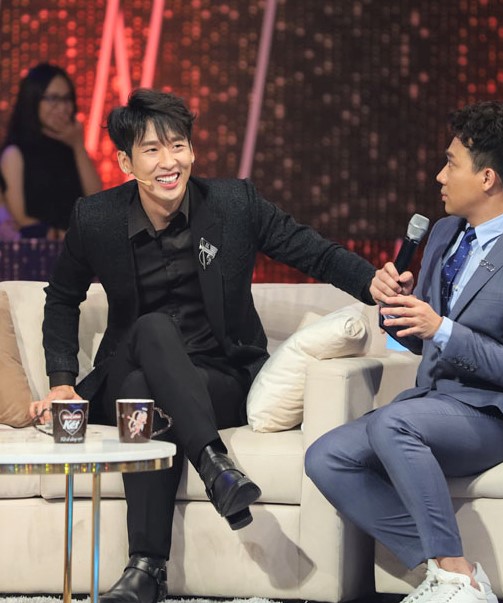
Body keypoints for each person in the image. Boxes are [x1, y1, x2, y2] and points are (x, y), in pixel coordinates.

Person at [30, 88, 377, 603]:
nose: (168, 162)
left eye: (178, 146)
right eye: (151, 150)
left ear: (192, 150)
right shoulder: (96, 218)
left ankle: (146, 570)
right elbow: (62, 298)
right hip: (125, 367)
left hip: (217, 377)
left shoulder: (234, 205)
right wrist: (61, 382)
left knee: (145, 391)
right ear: (126, 162)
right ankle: (215, 466)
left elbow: (315, 253)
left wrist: (375, 284)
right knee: (151, 331)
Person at [305, 100, 503, 603]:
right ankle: (450, 568)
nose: (439, 176)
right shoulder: (446, 233)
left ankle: (454, 578)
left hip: (497, 415)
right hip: (432, 404)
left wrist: (442, 328)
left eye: (451, 163)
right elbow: (419, 336)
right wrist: (397, 308)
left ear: (487, 178)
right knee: (327, 457)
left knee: (393, 424)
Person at [0, 62, 102, 239]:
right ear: (32, 100)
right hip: (42, 250)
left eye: (67, 98)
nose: (62, 107)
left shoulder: (71, 148)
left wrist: (78, 147)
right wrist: (60, 236)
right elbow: (20, 219)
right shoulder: (15, 153)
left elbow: (97, 202)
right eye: (53, 99)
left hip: (79, 249)